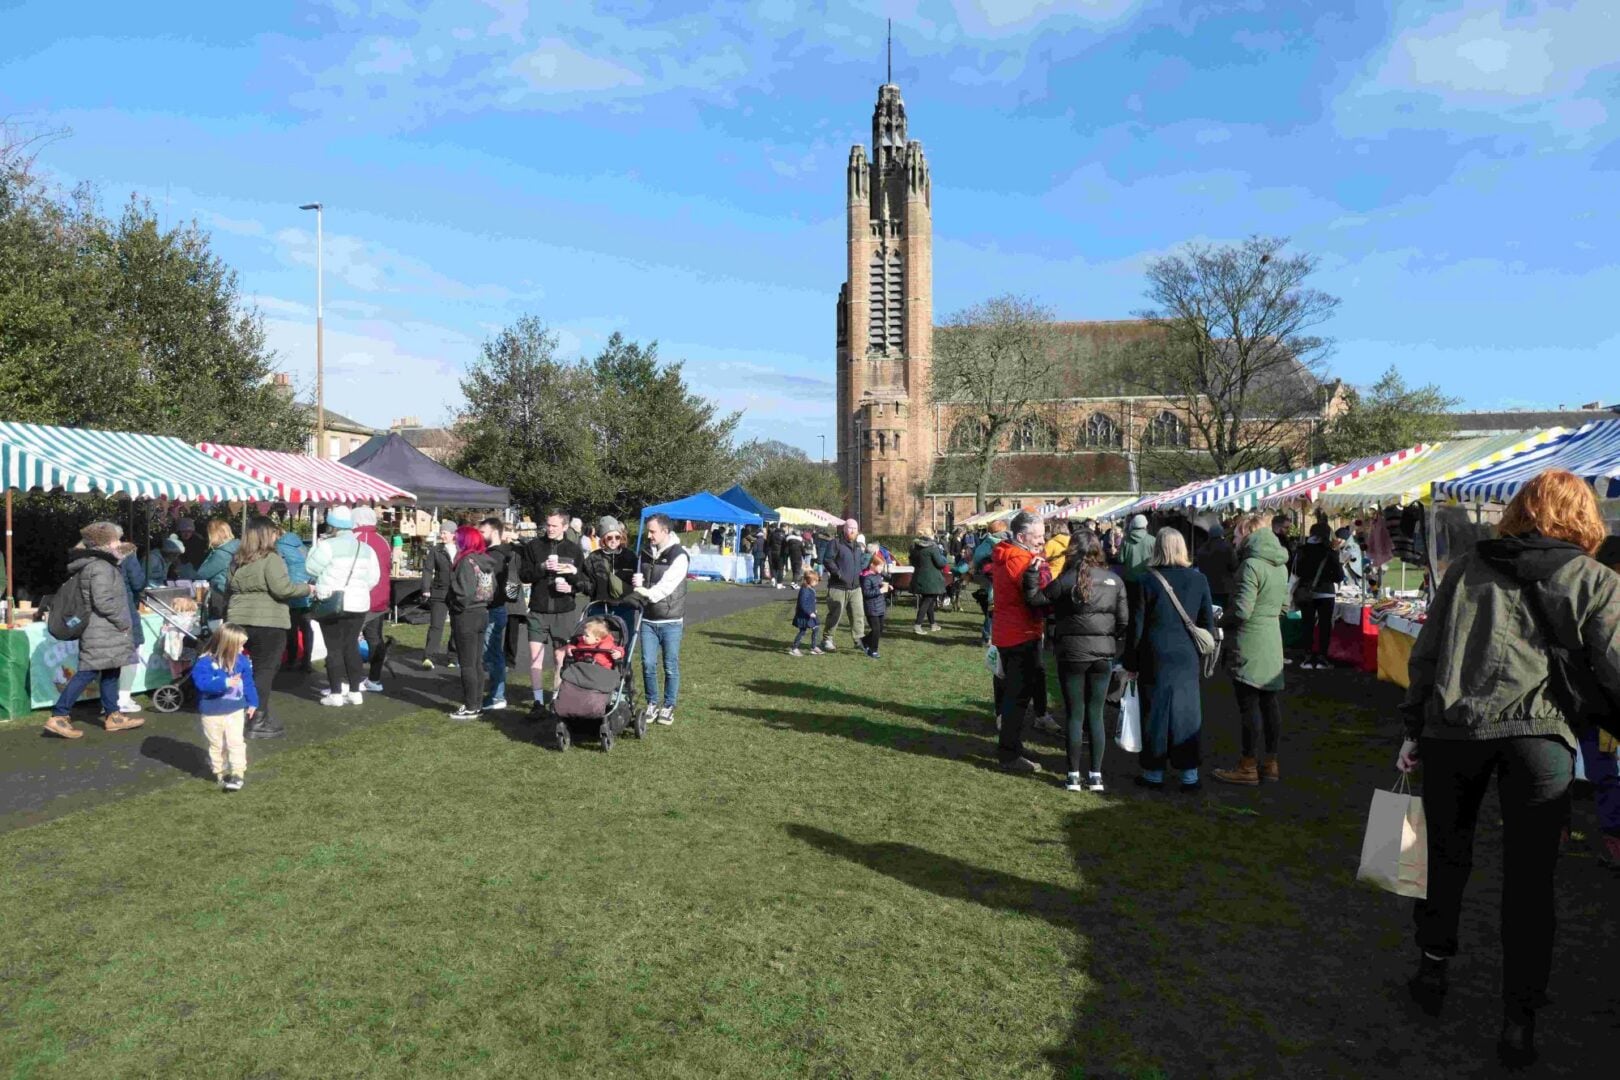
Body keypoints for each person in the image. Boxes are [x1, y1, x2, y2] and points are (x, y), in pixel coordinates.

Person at [1396, 470, 1620, 1067]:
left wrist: (1414, 723)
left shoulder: (1470, 567)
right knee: (1530, 879)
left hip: (1457, 729)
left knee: (1445, 854)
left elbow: (1428, 651)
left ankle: (1433, 967)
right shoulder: (1596, 580)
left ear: (1519, 509)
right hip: (1538, 737)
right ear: (1585, 517)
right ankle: (1517, 1016)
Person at [1025, 528, 1127, 793]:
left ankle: (1072, 775)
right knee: (1095, 714)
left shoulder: (1065, 580)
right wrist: (1107, 637)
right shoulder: (1114, 581)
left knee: (1074, 714)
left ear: (1072, 550)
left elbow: (1036, 600)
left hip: (1071, 653)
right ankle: (1095, 775)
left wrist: (1033, 574)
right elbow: (1124, 620)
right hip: (1102, 654)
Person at [1124, 528, 1215, 792]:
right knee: (1188, 713)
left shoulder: (1146, 581)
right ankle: (1189, 774)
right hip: (1186, 653)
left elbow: (1136, 627)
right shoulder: (1199, 580)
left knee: (1155, 712)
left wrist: (1130, 662)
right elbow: (1207, 622)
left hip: (1155, 653)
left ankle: (1153, 773)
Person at [43, 522, 144, 739]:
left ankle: (113, 715)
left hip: (104, 629)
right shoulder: (100, 567)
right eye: (116, 539)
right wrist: (122, 622)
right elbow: (103, 601)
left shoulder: (102, 564)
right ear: (106, 543)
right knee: (87, 672)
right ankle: (59, 716)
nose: (120, 542)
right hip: (102, 629)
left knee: (111, 670)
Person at [1211, 515, 1290, 786]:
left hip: (1249, 640)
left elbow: (1242, 610)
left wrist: (1219, 620)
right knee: (1270, 703)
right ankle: (1270, 763)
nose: (1233, 539)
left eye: (1236, 535)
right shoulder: (1281, 565)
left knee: (1250, 705)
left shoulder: (1250, 565)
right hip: (1271, 638)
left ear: (1247, 534)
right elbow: (1284, 608)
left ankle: (1247, 765)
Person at [226, 516, 313, 740]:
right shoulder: (271, 558)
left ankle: (243, 714)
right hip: (269, 621)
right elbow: (283, 589)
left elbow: (228, 587)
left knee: (244, 670)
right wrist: (307, 589)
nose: (277, 535)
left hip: (239, 618)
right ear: (267, 534)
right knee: (264, 671)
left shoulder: (237, 560)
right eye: (274, 532)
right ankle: (258, 718)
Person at [990, 512, 1050, 773]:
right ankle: (1009, 754)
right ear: (1021, 537)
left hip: (1007, 632)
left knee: (1013, 695)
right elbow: (1038, 595)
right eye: (1038, 536)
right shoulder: (1021, 560)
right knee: (1017, 697)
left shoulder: (1006, 554)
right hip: (1021, 634)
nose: (1042, 541)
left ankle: (1011, 744)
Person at [305, 506, 382, 707]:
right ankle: (356, 691)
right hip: (359, 602)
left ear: (332, 526)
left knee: (333, 648)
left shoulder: (327, 546)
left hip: (332, 600)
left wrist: (317, 546)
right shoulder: (366, 549)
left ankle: (336, 692)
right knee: (351, 646)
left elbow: (310, 567)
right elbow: (373, 578)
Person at [520, 508, 586, 712]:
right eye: (548, 525)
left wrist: (571, 587)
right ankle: (538, 702)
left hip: (563, 610)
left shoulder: (573, 550)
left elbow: (582, 581)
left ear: (565, 527)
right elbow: (524, 575)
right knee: (535, 658)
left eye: (554, 525)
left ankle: (556, 699)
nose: (549, 529)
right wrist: (541, 568)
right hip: (538, 610)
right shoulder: (534, 546)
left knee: (560, 658)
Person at [632, 512, 689, 726]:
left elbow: (666, 586)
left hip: (671, 619)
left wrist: (647, 593)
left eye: (653, 531)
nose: (649, 535)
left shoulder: (679, 555)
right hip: (648, 618)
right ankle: (652, 703)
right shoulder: (645, 552)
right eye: (648, 531)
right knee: (647, 663)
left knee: (670, 665)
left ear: (665, 531)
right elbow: (641, 578)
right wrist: (637, 581)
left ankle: (669, 705)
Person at [190, 623, 257, 792]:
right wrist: (224, 682)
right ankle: (219, 771)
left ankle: (237, 773)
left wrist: (252, 702)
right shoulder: (205, 663)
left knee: (236, 742)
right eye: (240, 645)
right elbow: (202, 684)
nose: (243, 649)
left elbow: (248, 683)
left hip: (235, 709)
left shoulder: (242, 661)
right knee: (217, 744)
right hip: (212, 712)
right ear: (227, 645)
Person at [446, 524, 494, 720]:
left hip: (466, 615)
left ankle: (471, 705)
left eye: (457, 538)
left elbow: (464, 593)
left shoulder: (466, 561)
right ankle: (477, 704)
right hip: (482, 612)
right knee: (476, 662)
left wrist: (454, 603)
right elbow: (492, 589)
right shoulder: (485, 560)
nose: (455, 542)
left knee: (467, 663)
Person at [349, 507, 394, 694]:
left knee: (349, 640)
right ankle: (374, 678)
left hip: (361, 598)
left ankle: (353, 679)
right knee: (375, 639)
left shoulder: (356, 540)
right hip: (380, 598)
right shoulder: (383, 541)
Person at [477, 518, 518, 712]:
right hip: (495, 607)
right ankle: (495, 694)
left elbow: (487, 588)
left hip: (493, 608)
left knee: (492, 654)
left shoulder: (495, 556)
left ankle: (497, 696)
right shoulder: (501, 553)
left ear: (494, 533)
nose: (479, 535)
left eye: (483, 531)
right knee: (492, 654)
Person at [1292, 521, 1343, 670]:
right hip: (1326, 592)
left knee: (1307, 624)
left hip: (1305, 591)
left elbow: (1296, 571)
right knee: (1325, 626)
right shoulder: (1330, 551)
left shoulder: (1302, 550)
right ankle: (1322, 657)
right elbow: (1339, 576)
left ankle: (1307, 656)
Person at [820, 519, 866, 652]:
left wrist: (862, 567)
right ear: (844, 529)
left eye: (855, 528)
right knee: (835, 614)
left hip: (855, 588)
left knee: (858, 615)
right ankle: (827, 639)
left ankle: (859, 640)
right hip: (838, 587)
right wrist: (838, 573)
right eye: (850, 528)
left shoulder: (858, 546)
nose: (852, 531)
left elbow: (860, 562)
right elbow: (827, 560)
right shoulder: (836, 543)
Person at [113, 540, 147, 715]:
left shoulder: (94, 556)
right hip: (126, 610)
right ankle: (123, 698)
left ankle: (112, 699)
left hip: (105, 613)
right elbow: (138, 582)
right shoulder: (127, 555)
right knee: (131, 652)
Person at [419, 521, 457, 669]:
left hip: (457, 593)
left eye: (445, 532)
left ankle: (453, 657)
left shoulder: (462, 549)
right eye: (441, 532)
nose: (442, 535)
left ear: (453, 534)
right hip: (439, 592)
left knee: (456, 626)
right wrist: (425, 588)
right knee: (436, 626)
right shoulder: (436, 550)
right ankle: (429, 657)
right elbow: (428, 570)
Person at [278, 526, 314, 673]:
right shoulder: (303, 547)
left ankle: (291, 659)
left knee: (291, 628)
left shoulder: (279, 547)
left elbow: (280, 569)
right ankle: (307, 660)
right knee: (306, 627)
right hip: (306, 590)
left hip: (291, 590)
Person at [192, 519, 239, 619]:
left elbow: (202, 573)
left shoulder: (222, 553)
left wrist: (212, 553)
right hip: (233, 593)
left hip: (220, 592)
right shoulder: (237, 548)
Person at [909, 530, 947, 633]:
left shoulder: (915, 547)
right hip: (931, 579)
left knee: (929, 600)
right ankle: (917, 625)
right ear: (930, 535)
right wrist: (944, 556)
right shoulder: (933, 548)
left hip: (919, 577)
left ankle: (933, 624)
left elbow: (911, 561)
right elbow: (940, 563)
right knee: (927, 601)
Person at [1195, 521, 1239, 611]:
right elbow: (1234, 566)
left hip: (1208, 587)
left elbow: (1200, 567)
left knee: (1212, 612)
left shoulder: (1202, 550)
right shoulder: (1227, 548)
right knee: (1224, 612)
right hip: (1225, 588)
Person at [858, 553, 891, 658]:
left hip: (880, 606)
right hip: (871, 607)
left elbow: (877, 586)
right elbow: (867, 593)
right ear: (872, 565)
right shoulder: (866, 578)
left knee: (880, 629)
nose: (882, 568)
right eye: (880, 566)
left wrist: (886, 586)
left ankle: (864, 640)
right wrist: (880, 590)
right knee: (876, 630)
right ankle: (873, 650)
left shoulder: (878, 575)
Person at [789, 569, 823, 656]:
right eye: (815, 581)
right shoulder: (804, 590)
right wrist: (809, 612)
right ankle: (794, 648)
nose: (817, 583)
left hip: (810, 614)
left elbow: (809, 602)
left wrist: (813, 609)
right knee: (802, 631)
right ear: (809, 581)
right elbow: (802, 604)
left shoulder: (810, 588)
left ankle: (814, 647)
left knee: (816, 628)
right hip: (804, 615)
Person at [766, 524, 786, 590]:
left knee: (773, 567)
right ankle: (779, 584)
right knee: (780, 569)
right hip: (781, 554)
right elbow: (785, 545)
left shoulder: (772, 534)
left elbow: (768, 543)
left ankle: (773, 578)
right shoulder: (784, 535)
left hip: (772, 553)